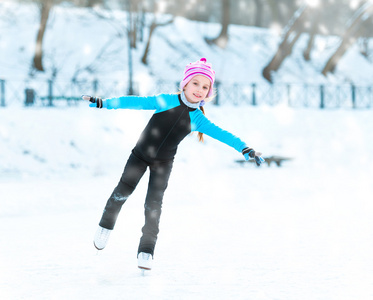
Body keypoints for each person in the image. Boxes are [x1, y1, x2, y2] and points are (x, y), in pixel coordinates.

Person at [83, 58, 264, 270]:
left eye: (205, 87)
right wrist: (105, 103)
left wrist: (245, 148)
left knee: (153, 206)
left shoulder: (198, 119)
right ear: (185, 83)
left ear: (208, 93)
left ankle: (146, 250)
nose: (199, 89)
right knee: (122, 191)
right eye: (195, 83)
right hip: (140, 155)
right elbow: (135, 101)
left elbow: (223, 134)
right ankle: (105, 226)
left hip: (163, 164)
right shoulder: (165, 100)